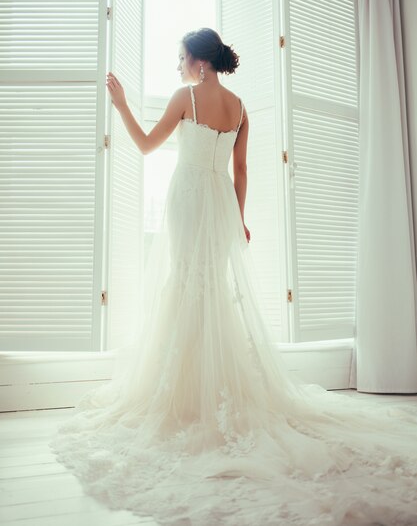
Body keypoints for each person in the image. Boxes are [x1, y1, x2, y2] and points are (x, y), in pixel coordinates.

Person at [50, 28, 417, 526]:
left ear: (199, 62)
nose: (177, 67)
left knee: (186, 286)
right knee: (208, 290)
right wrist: (238, 219)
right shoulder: (241, 106)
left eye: (181, 58)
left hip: (188, 198)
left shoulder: (187, 96)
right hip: (221, 202)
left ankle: (186, 392)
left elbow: (144, 145)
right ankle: (208, 387)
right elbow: (241, 171)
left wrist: (119, 104)